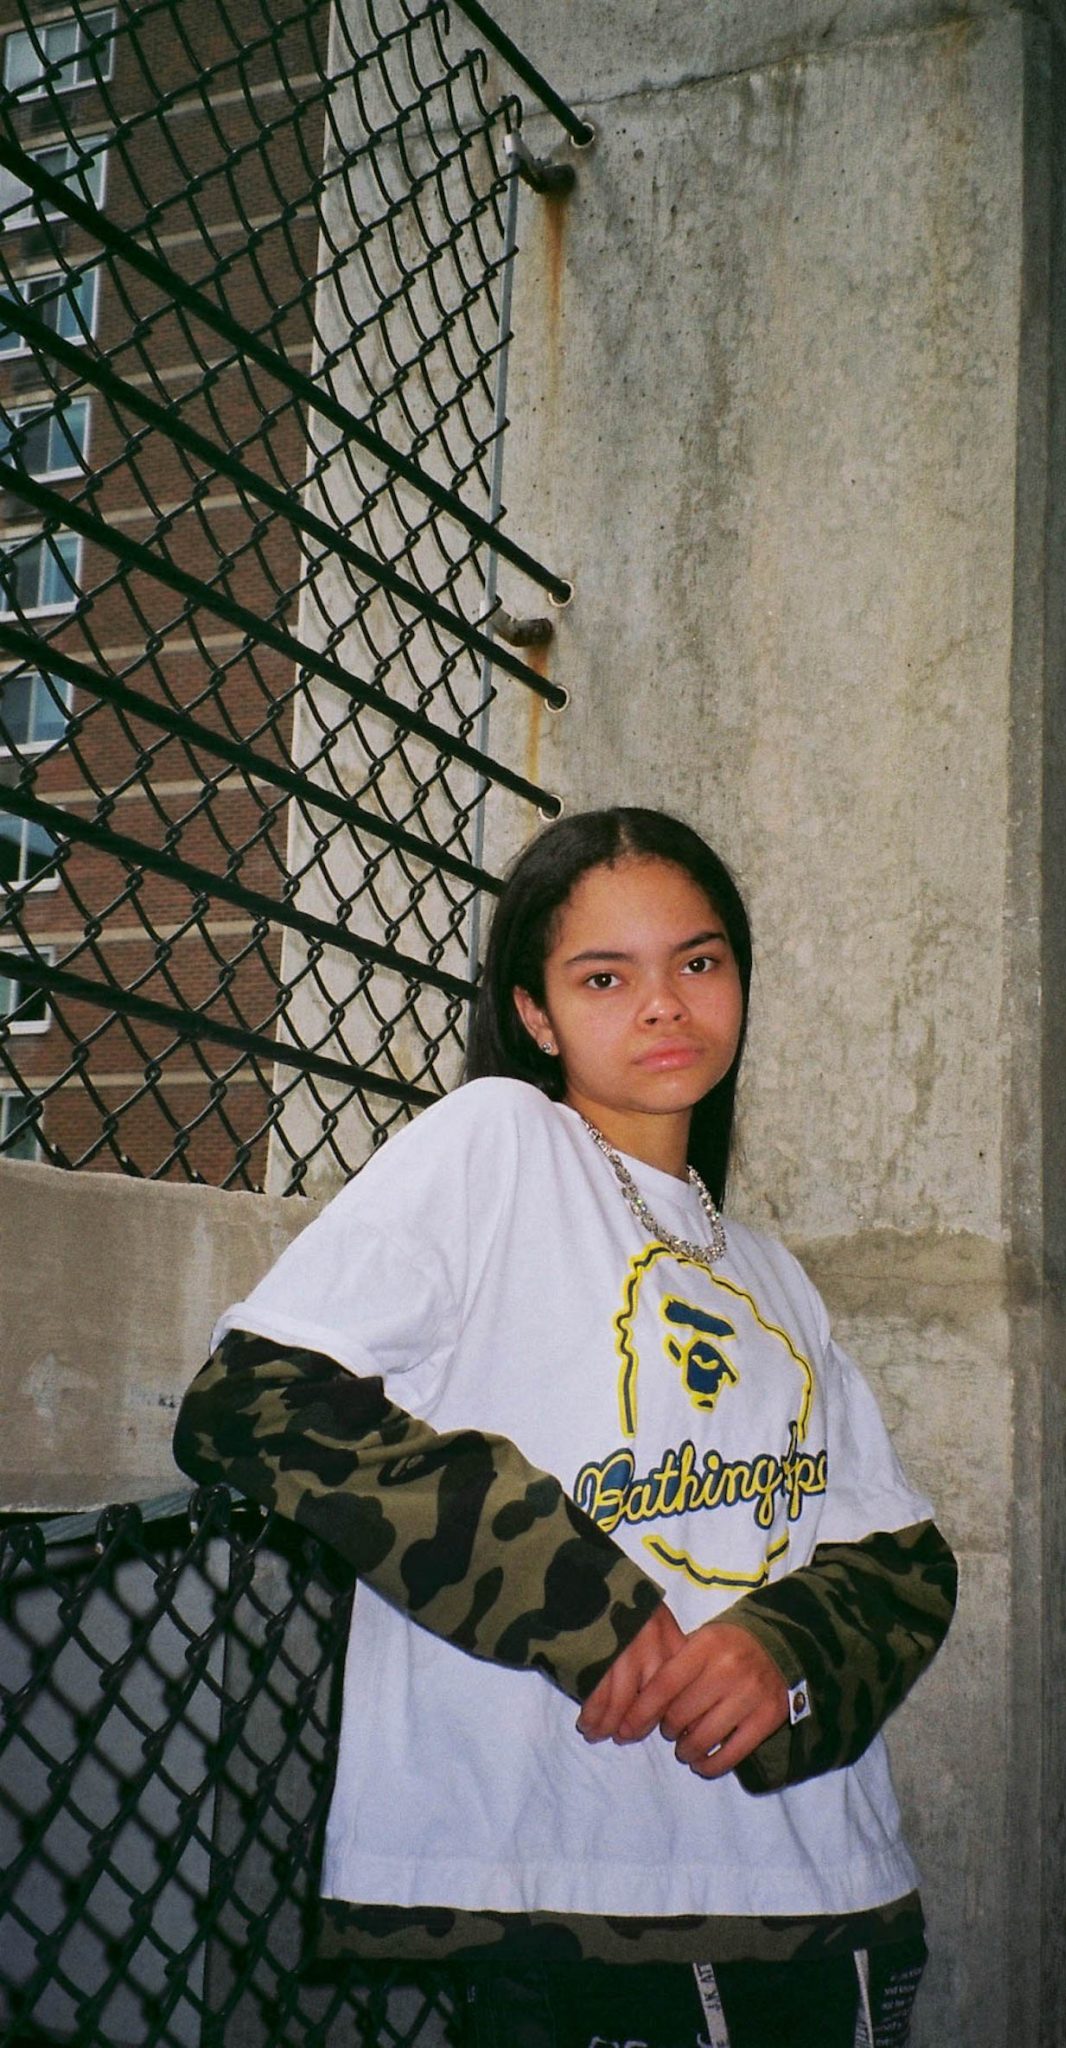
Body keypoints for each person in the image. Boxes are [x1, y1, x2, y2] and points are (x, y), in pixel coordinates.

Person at [174, 806, 957, 2048]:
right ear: (535, 1012)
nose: (664, 1003)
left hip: (830, 1889)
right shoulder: (498, 1141)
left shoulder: (768, 1267)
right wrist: (577, 1596)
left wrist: (784, 1647)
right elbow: (256, 1398)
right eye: (605, 975)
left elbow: (902, 1557)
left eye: (698, 960)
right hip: (581, 1887)